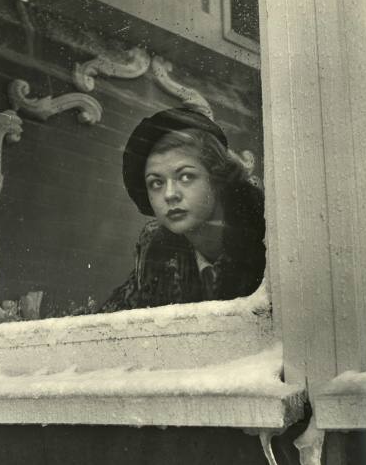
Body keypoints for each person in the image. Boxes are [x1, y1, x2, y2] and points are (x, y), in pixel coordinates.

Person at [99, 107, 265, 313]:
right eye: (156, 183)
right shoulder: (157, 257)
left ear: (216, 179)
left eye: (186, 177)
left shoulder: (268, 242)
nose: (169, 194)